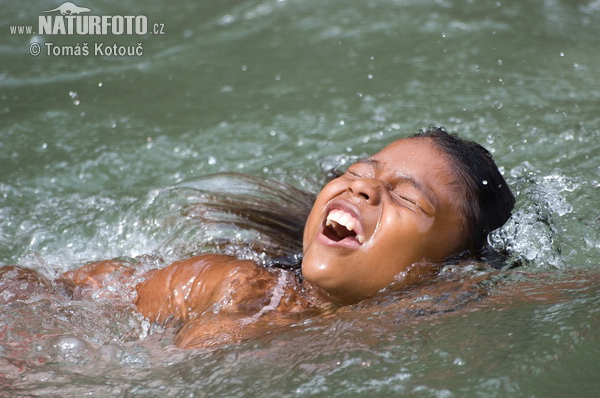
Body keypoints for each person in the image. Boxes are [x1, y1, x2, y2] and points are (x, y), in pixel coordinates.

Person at [0, 127, 515, 348]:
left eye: (406, 198)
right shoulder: (238, 287)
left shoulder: (441, 313)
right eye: (360, 170)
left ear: (453, 267)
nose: (363, 186)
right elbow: (59, 291)